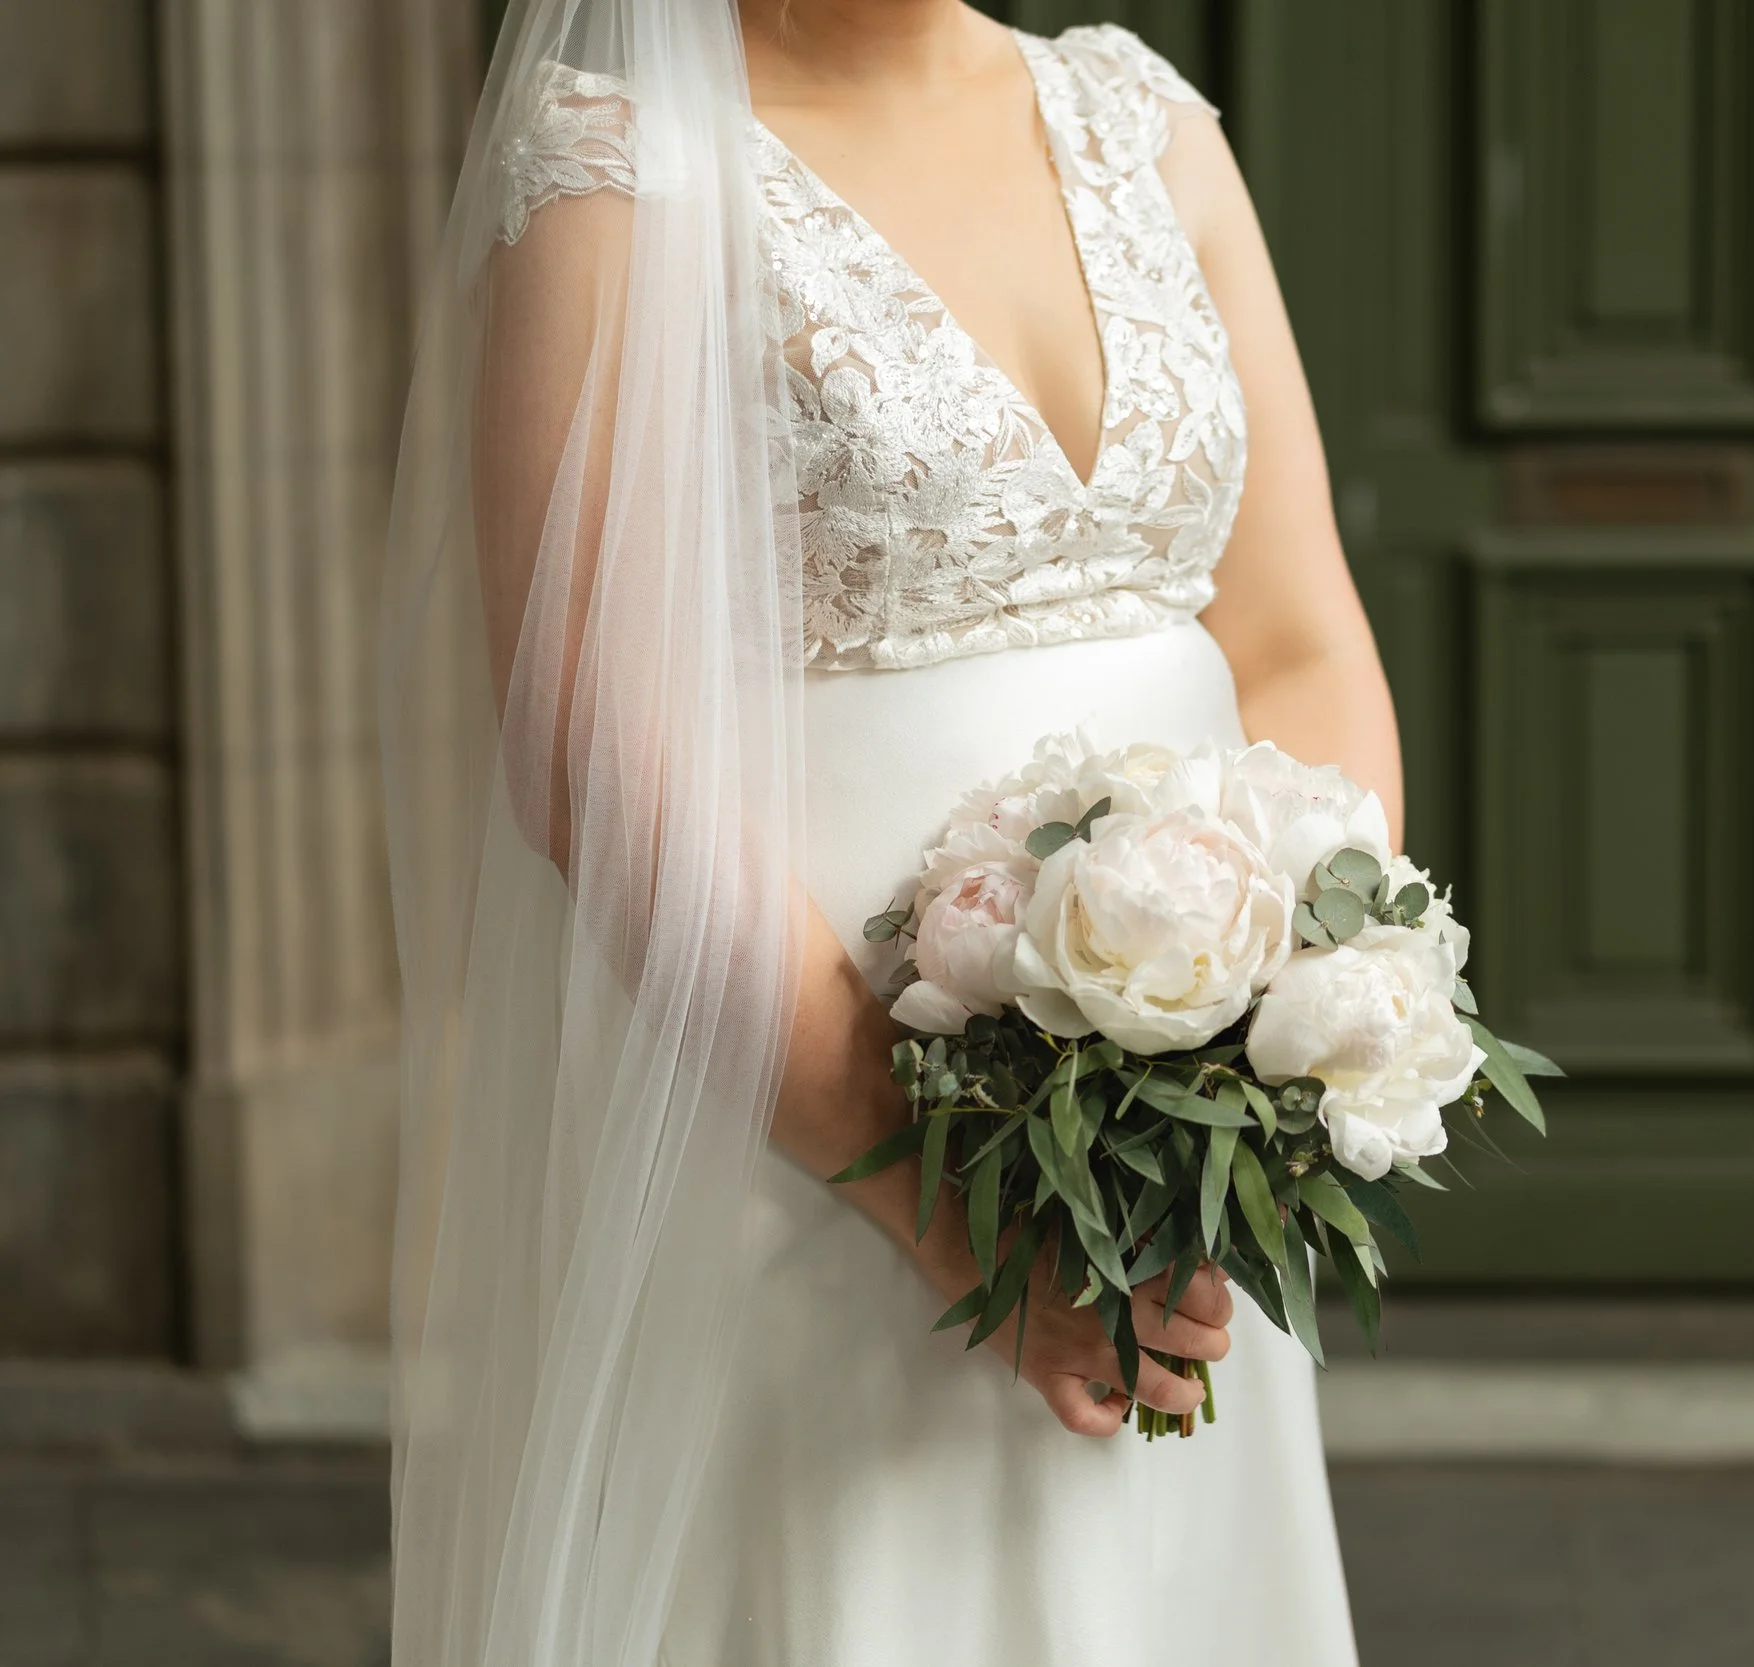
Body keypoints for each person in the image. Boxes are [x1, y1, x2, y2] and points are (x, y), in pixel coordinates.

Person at [378, 1, 1389, 1661]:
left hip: (1179, 1134)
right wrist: (948, 1206)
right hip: (821, 1120)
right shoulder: (617, 173)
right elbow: (589, 749)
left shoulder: (1144, 123)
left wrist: (1287, 1047)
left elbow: (1300, 639)